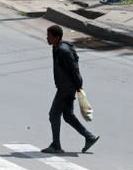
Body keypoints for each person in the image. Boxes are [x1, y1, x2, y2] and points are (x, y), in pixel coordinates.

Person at [42, 25, 99, 154]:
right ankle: (89, 137)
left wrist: (78, 85)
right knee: (68, 115)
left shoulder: (63, 51)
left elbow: (74, 69)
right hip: (66, 87)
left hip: (66, 88)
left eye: (49, 36)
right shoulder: (56, 47)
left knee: (53, 114)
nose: (47, 38)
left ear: (56, 37)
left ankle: (56, 146)